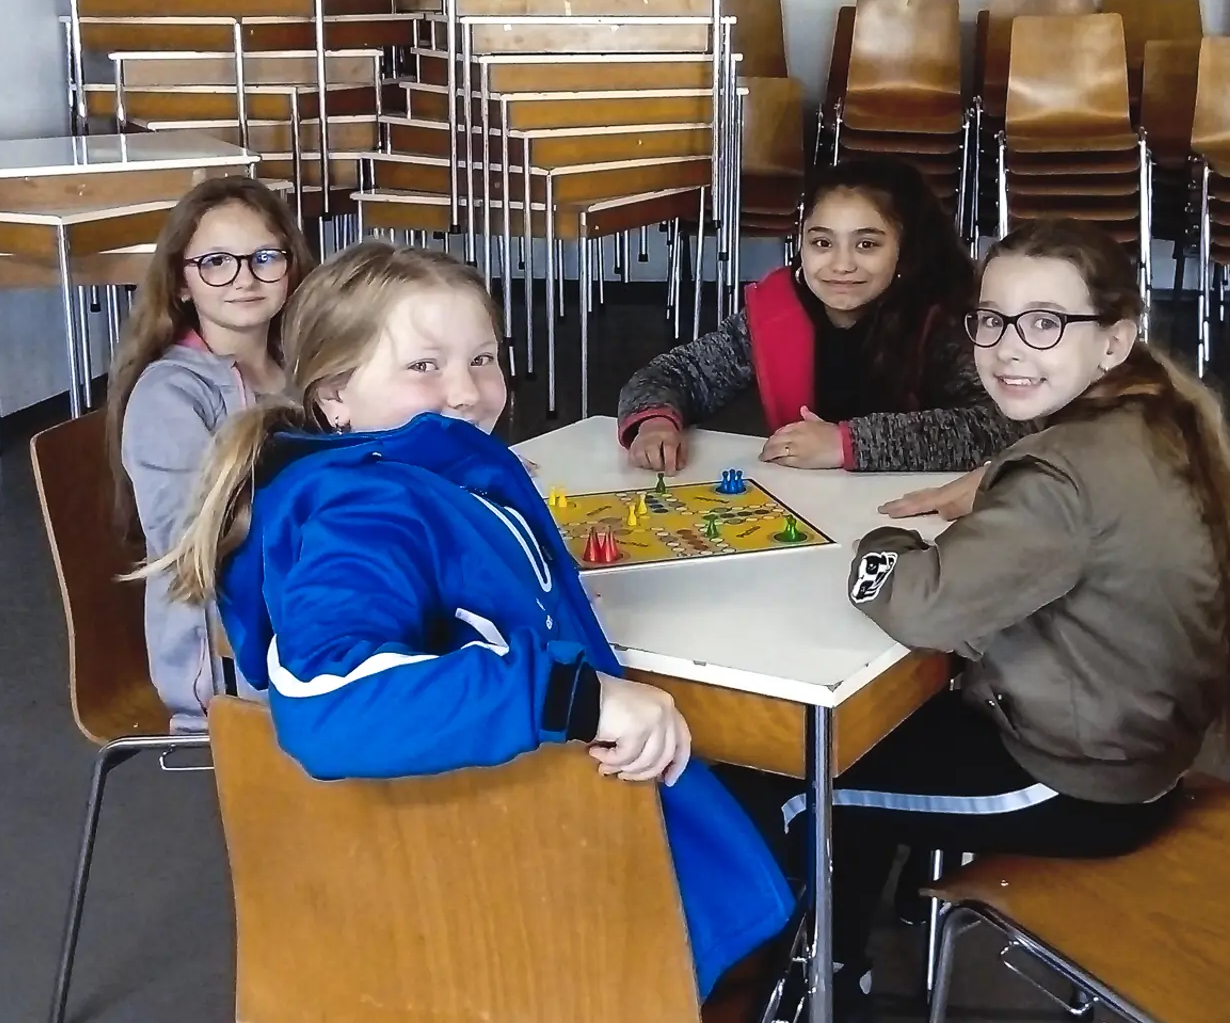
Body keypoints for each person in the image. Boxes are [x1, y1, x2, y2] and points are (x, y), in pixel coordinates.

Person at [149, 241, 792, 996]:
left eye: (483, 359)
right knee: (790, 817)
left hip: (505, 843)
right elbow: (331, 699)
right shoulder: (364, 511)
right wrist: (574, 696)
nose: (465, 391)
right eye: (424, 365)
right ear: (335, 397)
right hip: (522, 882)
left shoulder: (423, 476)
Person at [725, 218, 1230, 1016]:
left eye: (1046, 323)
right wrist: (999, 481)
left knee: (783, 782)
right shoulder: (1153, 420)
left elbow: (922, 603)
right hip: (1132, 745)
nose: (1008, 349)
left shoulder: (1063, 476)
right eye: (992, 320)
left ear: (1114, 341)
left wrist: (880, 542)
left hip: (1074, 784)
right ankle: (846, 963)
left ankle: (800, 994)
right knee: (871, 741)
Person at [618, 157, 1024, 474]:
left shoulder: (947, 319)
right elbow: (676, 374)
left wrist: (847, 443)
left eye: (867, 245)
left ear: (907, 250)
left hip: (928, 513)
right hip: (814, 507)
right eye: (822, 243)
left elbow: (1000, 424)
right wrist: (656, 424)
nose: (841, 265)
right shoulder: (777, 311)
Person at [106, 176, 314, 732]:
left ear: (291, 267)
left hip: (311, 608)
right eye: (216, 262)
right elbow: (194, 548)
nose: (244, 278)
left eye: (265, 257)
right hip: (230, 660)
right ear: (181, 282)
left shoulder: (306, 367)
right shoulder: (168, 394)